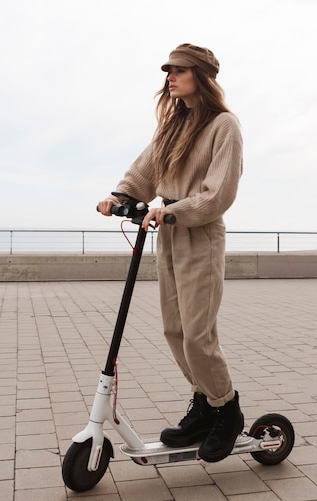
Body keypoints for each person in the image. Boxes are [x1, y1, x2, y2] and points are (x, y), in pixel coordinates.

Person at [97, 43, 243, 463]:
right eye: (169, 71)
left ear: (201, 75)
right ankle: (205, 405)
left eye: (179, 70)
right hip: (169, 233)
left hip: (199, 233)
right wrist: (118, 196)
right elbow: (145, 171)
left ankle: (227, 410)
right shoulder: (172, 125)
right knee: (175, 331)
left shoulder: (224, 126)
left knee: (198, 334)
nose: (170, 77)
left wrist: (173, 211)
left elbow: (219, 194)